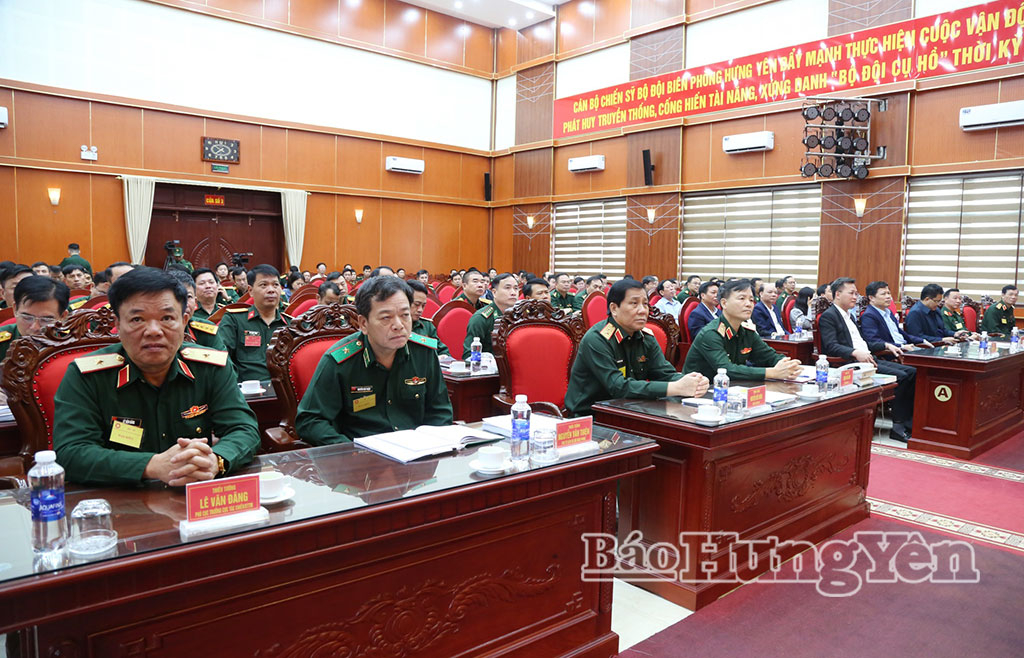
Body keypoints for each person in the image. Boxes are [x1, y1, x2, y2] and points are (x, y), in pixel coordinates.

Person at [52, 267, 259, 486]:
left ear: (184, 320)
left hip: (194, 492)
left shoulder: (211, 367)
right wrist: (151, 466)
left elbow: (244, 429)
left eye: (166, 318)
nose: (153, 331)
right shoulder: (87, 375)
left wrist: (215, 460)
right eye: (137, 319)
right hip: (119, 498)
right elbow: (71, 452)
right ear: (117, 324)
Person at [295, 276, 452, 444]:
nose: (399, 325)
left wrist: (430, 445)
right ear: (363, 323)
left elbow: (440, 412)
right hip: (361, 454)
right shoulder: (340, 360)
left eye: (405, 315)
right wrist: (351, 451)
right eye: (386, 318)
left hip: (416, 451)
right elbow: (310, 420)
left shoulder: (424, 353)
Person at [565, 279, 709, 416]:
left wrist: (691, 381)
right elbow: (618, 387)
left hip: (630, 409)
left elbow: (664, 373)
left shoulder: (646, 336)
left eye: (645, 304)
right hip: (590, 416)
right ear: (614, 308)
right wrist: (676, 387)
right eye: (634, 304)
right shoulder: (597, 339)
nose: (642, 310)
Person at [819, 278, 917, 442]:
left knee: (913, 372)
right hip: (851, 363)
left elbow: (864, 342)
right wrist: (855, 352)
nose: (855, 297)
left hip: (868, 359)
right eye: (851, 293)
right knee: (902, 376)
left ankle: (908, 422)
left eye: (856, 294)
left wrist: (886, 345)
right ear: (838, 294)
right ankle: (898, 426)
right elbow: (831, 346)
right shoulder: (829, 316)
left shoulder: (849, 316)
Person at [683, 279, 801, 381]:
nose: (748, 304)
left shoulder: (746, 330)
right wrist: (772, 373)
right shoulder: (711, 333)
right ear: (724, 303)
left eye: (751, 300)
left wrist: (787, 364)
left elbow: (768, 355)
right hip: (701, 391)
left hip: (735, 389)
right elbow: (727, 370)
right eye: (742, 298)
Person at [218, 264, 290, 382]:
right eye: (264, 285)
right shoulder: (235, 320)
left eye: (275, 285)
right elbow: (222, 355)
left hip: (283, 389)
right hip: (246, 389)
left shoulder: (290, 324)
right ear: (250, 291)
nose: (271, 290)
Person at [0, 276, 70, 365]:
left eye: (46, 320)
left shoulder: (74, 342)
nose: (35, 327)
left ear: (63, 317)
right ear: (15, 309)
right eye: (27, 317)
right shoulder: (3, 342)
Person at [166, 268, 225, 351]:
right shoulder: (154, 332)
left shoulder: (207, 329)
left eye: (189, 297)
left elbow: (223, 358)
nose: (185, 304)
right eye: (177, 297)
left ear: (195, 301)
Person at [860, 281, 930, 349]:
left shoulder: (888, 312)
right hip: (893, 351)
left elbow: (899, 333)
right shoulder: (869, 316)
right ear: (871, 298)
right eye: (883, 294)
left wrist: (922, 340)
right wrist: (902, 347)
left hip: (905, 346)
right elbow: (874, 341)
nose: (888, 297)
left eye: (889, 293)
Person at [463, 273, 519, 355]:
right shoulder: (481, 318)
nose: (513, 293)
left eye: (516, 288)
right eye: (507, 288)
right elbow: (469, 354)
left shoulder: (520, 316)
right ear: (494, 293)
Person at [407, 279, 449, 356]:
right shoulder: (394, 327)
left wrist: (443, 356)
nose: (420, 310)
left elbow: (443, 351)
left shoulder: (427, 326)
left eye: (423, 306)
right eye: (416, 304)